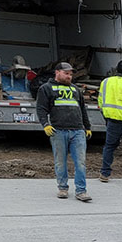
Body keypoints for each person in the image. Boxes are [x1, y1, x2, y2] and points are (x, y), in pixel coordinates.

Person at [36, 62, 92, 201]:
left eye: (71, 74)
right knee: (60, 162)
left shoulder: (75, 90)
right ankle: (62, 188)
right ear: (57, 72)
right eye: (66, 73)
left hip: (78, 130)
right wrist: (45, 125)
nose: (69, 76)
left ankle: (81, 191)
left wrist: (87, 126)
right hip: (58, 131)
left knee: (80, 162)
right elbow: (41, 109)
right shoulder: (47, 88)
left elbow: (82, 109)